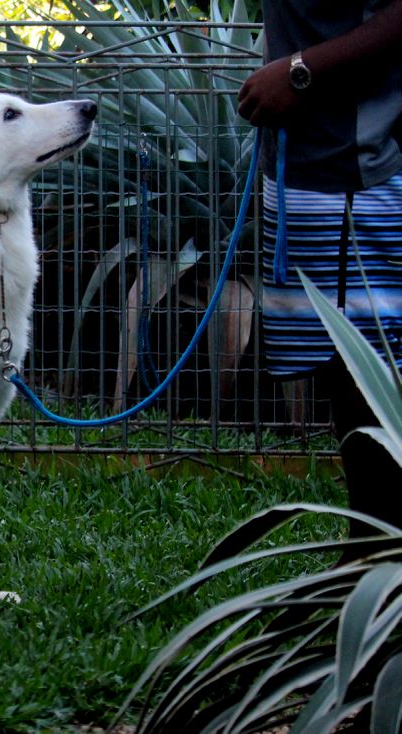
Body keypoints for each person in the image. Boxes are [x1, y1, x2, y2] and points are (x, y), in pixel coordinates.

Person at [237, 0, 402, 538]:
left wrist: (299, 70)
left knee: (375, 368)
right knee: (344, 369)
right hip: (303, 170)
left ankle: (376, 551)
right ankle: (369, 540)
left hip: (370, 174)